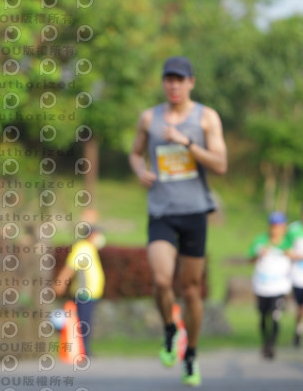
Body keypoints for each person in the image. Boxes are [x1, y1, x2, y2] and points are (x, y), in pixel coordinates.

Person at [128, 56, 227, 387]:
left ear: (191, 83)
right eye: (168, 79)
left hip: (195, 211)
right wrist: (141, 171)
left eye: (180, 79)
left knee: (191, 289)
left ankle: (192, 353)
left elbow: (221, 164)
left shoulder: (206, 118)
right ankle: (171, 330)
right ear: (163, 82)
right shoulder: (149, 118)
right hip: (161, 211)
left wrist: (186, 142)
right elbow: (135, 153)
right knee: (160, 279)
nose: (173, 85)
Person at [53, 210, 106, 356]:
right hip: (84, 293)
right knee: (83, 323)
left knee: (86, 321)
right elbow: (70, 268)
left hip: (91, 293)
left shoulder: (90, 249)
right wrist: (60, 284)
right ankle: (83, 351)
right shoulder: (82, 248)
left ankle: (84, 350)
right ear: (91, 235)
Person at [247, 211, 293, 359]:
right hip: (262, 286)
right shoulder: (261, 240)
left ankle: (271, 345)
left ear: (284, 227)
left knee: (274, 316)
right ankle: (265, 342)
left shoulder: (289, 242)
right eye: (273, 225)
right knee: (262, 317)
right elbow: (250, 258)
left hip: (279, 287)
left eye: (279, 226)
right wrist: (259, 254)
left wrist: (289, 254)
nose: (276, 229)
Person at [286, 205, 303, 347]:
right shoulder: (293, 229)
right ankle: (298, 330)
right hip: (298, 276)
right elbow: (285, 248)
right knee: (300, 307)